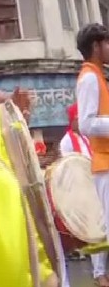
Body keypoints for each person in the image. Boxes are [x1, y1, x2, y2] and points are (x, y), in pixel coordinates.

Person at [76, 23, 109, 287]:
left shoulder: (98, 75)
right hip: (103, 162)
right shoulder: (89, 77)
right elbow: (85, 123)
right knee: (105, 224)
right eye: (106, 42)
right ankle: (99, 275)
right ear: (96, 47)